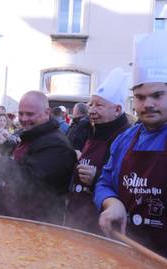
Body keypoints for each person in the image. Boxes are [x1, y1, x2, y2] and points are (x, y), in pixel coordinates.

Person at [94, 32, 167, 256]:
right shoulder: (125, 138)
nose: (148, 104)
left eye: (157, 95)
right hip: (125, 251)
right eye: (140, 97)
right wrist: (111, 202)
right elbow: (104, 181)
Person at [0, 91, 76, 224]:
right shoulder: (33, 134)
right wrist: (4, 146)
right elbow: (22, 159)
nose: (24, 119)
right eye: (21, 113)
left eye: (30, 114)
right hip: (16, 217)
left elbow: (29, 180)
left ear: (47, 112)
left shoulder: (57, 146)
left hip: (39, 223)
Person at [65, 68, 131, 234]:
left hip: (101, 224)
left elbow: (128, 180)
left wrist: (96, 178)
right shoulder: (92, 130)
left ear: (117, 110)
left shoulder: (125, 137)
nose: (92, 110)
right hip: (77, 216)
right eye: (91, 104)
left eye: (99, 106)